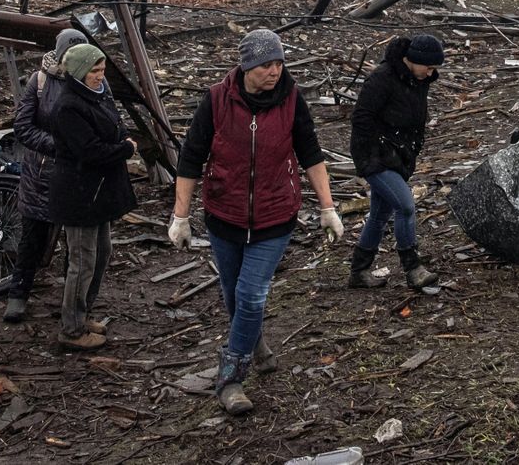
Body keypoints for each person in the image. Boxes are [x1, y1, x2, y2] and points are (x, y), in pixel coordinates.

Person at [168, 29, 343, 416]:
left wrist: (328, 207)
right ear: (247, 66)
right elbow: (191, 157)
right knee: (233, 295)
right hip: (224, 215)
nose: (275, 71)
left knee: (250, 295)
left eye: (279, 63)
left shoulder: (292, 100)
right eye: (266, 64)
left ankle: (231, 378)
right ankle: (256, 344)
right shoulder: (216, 100)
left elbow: (311, 154)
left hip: (275, 216)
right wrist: (181, 216)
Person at [43, 43, 137, 352]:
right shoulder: (69, 106)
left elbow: (116, 123)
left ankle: (83, 315)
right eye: (95, 71)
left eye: (102, 70)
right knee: (81, 261)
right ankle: (71, 329)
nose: (101, 76)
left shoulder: (96, 95)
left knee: (102, 253)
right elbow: (89, 150)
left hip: (97, 193)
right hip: (79, 194)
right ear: (81, 72)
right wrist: (124, 149)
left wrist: (121, 138)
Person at [347, 34, 443, 291]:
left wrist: (411, 151)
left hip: (399, 157)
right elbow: (361, 118)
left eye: (435, 68)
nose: (431, 72)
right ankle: (413, 269)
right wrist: (374, 154)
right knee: (405, 206)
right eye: (428, 66)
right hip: (376, 156)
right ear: (411, 59)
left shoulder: (419, 80)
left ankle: (359, 271)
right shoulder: (383, 78)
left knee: (379, 214)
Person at [2, 27, 85, 324]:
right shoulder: (40, 81)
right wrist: (57, 145)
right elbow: (22, 127)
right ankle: (18, 295)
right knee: (31, 238)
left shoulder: (93, 80)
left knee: (76, 245)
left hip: (77, 176)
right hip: (41, 175)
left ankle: (71, 304)